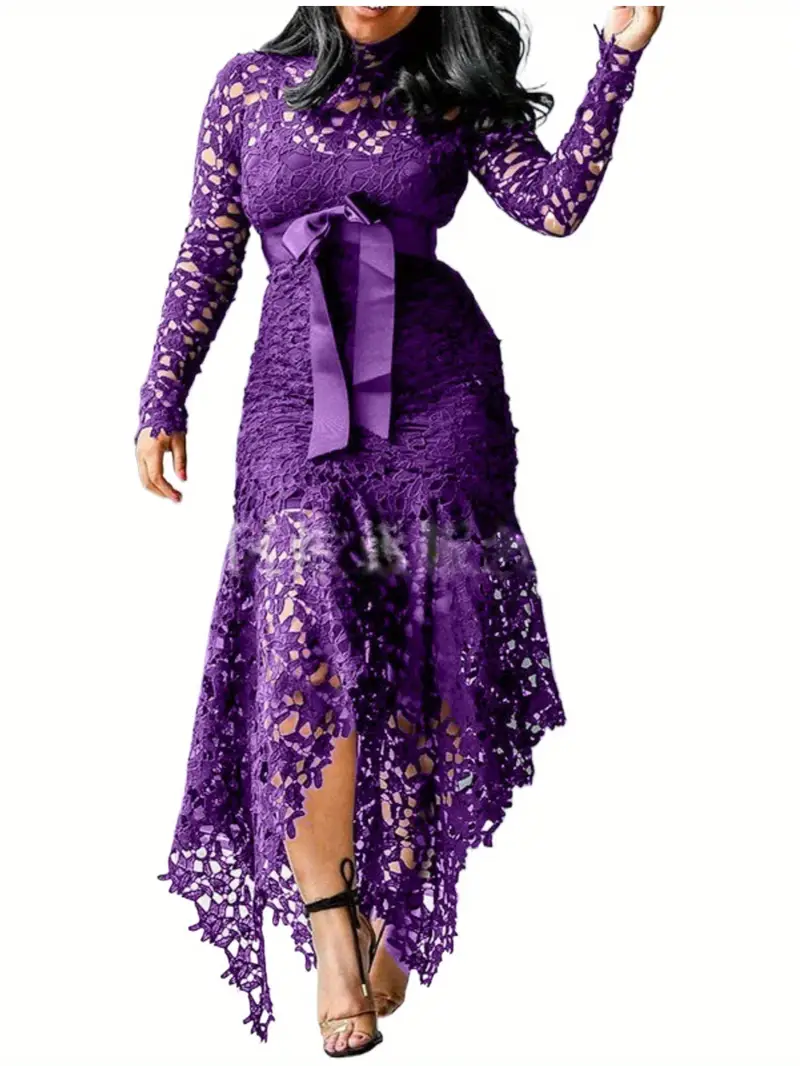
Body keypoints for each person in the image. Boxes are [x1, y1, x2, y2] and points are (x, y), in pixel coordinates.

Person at [135, 5, 662, 1057]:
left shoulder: (458, 79)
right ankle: (335, 933)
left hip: (437, 398)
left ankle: (402, 902)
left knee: (426, 657)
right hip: (291, 399)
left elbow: (555, 206)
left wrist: (618, 60)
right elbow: (208, 244)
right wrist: (162, 393)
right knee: (300, 653)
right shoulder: (248, 85)